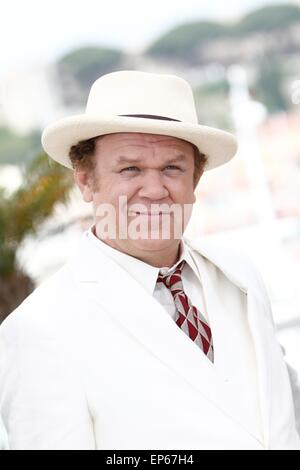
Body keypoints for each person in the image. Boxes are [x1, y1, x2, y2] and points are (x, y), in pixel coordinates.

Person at [0, 70, 299, 450]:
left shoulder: (242, 275)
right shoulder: (40, 330)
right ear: (85, 181)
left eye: (172, 168)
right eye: (130, 169)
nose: (155, 190)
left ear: (196, 177)